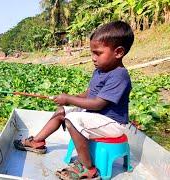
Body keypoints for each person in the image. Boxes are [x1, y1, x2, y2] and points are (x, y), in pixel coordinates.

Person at [13, 21, 134, 179]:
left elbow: (98, 104)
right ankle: (37, 141)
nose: (93, 58)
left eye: (98, 53)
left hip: (112, 123)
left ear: (118, 52)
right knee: (62, 112)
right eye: (92, 53)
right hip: (97, 117)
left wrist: (69, 98)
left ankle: (88, 168)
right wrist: (67, 100)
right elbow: (89, 94)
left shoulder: (119, 75)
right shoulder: (100, 70)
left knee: (72, 119)